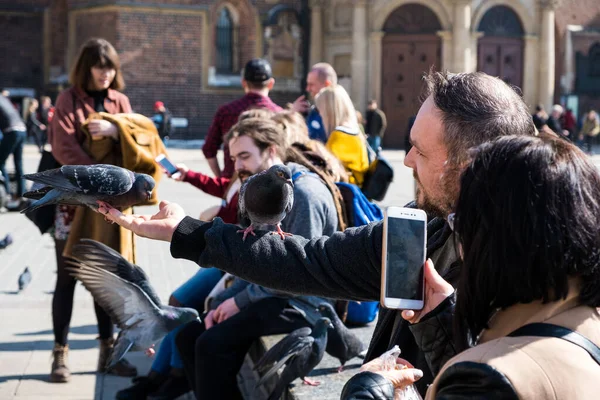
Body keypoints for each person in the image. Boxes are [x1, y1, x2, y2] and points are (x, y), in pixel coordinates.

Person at [97, 71, 537, 395]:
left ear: (465, 166)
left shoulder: (533, 269)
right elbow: (310, 260)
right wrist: (188, 233)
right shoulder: (427, 227)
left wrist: (431, 326)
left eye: (418, 151)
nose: (405, 163)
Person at [343, 133, 600, 399]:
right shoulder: (587, 327)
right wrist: (443, 326)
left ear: (491, 239)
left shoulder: (484, 380)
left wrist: (365, 392)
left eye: (459, 223)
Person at [177, 117, 340, 399]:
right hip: (271, 291)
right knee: (189, 334)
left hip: (302, 303)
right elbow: (254, 257)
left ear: (272, 152)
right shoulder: (256, 191)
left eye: (244, 156)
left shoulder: (302, 195)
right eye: (233, 158)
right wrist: (226, 299)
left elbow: (296, 274)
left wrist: (238, 301)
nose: (237, 166)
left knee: (211, 345)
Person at [47, 38, 137, 383]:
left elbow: (141, 139)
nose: (106, 74)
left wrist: (118, 129)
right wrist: (99, 180)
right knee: (67, 277)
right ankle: (59, 355)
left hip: (107, 208)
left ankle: (107, 352)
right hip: (73, 205)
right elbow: (63, 147)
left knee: (106, 281)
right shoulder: (68, 99)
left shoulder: (120, 101)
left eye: (111, 67)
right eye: (100, 67)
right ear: (86, 68)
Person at [202, 58, 282, 179]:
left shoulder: (226, 111)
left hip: (232, 185)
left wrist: (221, 179)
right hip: (268, 185)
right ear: (271, 83)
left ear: (244, 82)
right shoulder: (279, 114)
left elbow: (209, 149)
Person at [315, 85, 369, 187]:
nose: (320, 115)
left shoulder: (339, 135)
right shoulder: (355, 131)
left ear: (329, 110)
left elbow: (329, 171)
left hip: (346, 193)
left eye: (320, 110)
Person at [291, 62, 337, 143]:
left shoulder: (341, 117)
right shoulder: (312, 113)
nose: (307, 89)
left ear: (327, 85)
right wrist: (291, 114)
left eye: (311, 84)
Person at [0, 90, 27, 210]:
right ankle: (21, 196)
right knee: (18, 164)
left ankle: (6, 196)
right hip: (22, 129)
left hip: (11, 131)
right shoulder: (4, 99)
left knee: (0, 162)